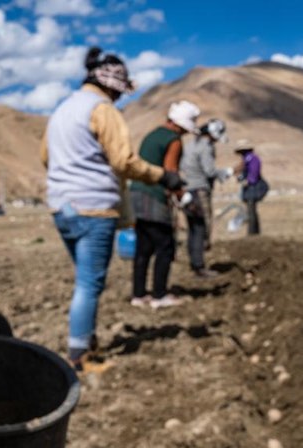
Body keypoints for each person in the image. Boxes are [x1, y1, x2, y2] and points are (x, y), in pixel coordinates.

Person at [41, 46, 184, 370]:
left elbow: (46, 157)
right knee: (90, 284)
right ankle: (79, 355)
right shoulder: (102, 109)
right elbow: (123, 160)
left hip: (61, 205)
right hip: (94, 206)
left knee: (84, 279)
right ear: (112, 85)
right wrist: (163, 176)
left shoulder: (63, 109)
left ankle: (86, 342)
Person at [129, 100, 200, 308]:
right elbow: (170, 173)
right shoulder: (174, 140)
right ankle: (160, 295)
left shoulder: (152, 135)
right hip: (154, 197)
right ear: (181, 125)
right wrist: (182, 196)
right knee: (165, 246)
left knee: (143, 248)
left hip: (136, 194)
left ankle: (139, 294)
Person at [180, 118, 233, 277]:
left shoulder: (191, 144)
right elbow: (209, 171)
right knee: (201, 227)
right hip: (200, 190)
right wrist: (226, 172)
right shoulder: (205, 147)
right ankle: (199, 266)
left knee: (192, 226)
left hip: (187, 190)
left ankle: (194, 262)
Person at [234, 139, 265, 235]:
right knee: (251, 210)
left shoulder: (252, 159)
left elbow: (254, 173)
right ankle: (254, 232)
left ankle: (252, 232)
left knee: (251, 210)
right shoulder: (246, 159)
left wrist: (248, 181)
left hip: (253, 187)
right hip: (249, 187)